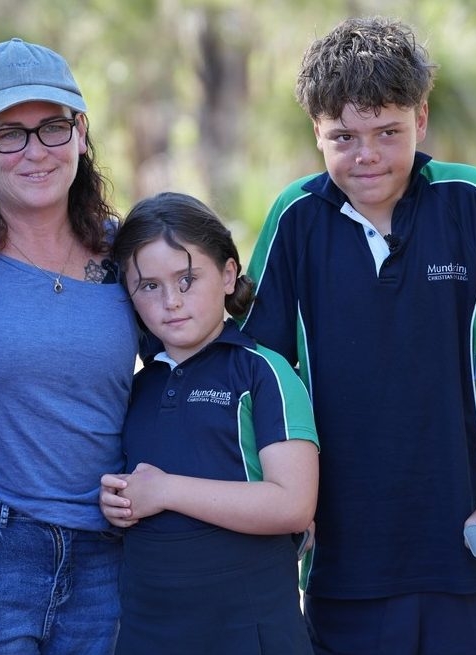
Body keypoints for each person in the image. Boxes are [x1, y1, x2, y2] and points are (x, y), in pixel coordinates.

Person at [239, 16, 476, 655]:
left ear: (422, 118)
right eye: (344, 137)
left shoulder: (472, 201)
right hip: (343, 554)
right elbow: (259, 373)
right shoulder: (294, 218)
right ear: (317, 134)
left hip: (466, 542)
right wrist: (279, 506)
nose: (368, 155)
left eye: (389, 131)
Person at [0, 38, 139, 654]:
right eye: (9, 133)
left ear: (82, 133)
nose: (35, 151)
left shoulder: (131, 254)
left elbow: (196, 362)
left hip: (111, 552)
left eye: (53, 128)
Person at [99, 192, 319, 655]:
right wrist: (119, 500)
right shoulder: (137, 387)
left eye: (187, 279)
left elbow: (294, 504)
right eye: (149, 286)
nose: (171, 301)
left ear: (227, 274)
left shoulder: (263, 372)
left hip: (249, 631)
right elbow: (137, 489)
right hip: (149, 633)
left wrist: (164, 491)